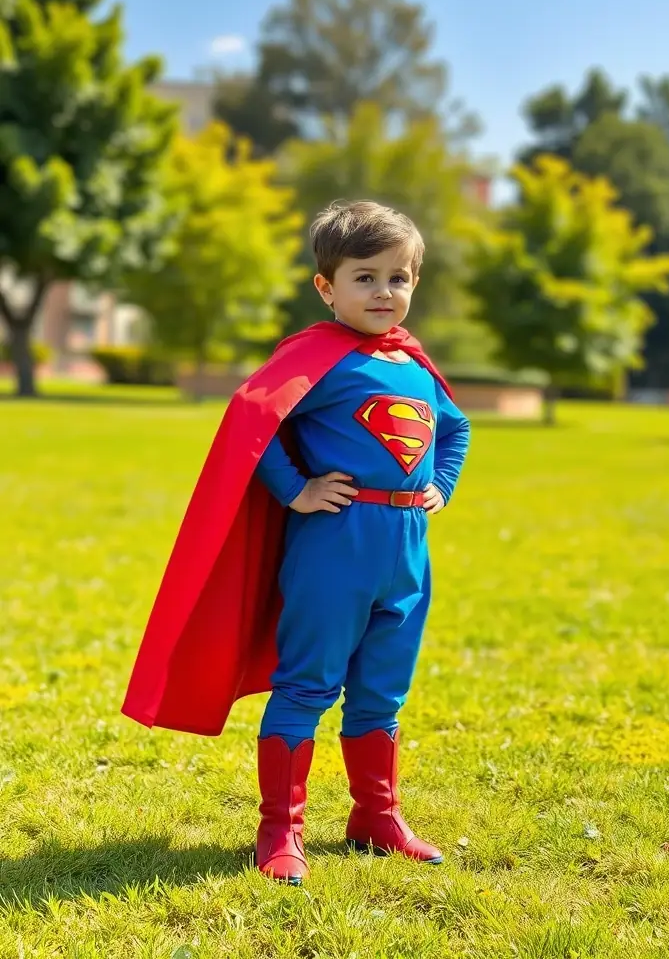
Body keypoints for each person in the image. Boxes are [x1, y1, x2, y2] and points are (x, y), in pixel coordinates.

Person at [121, 200, 470, 887]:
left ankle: (378, 815)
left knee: (383, 693)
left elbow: (454, 428)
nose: (383, 293)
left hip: (406, 550)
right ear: (326, 287)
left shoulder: (414, 364)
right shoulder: (317, 357)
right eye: (364, 277)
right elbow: (254, 419)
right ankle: (280, 829)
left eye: (399, 278)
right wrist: (295, 490)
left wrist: (443, 485)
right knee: (309, 685)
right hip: (335, 547)